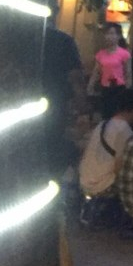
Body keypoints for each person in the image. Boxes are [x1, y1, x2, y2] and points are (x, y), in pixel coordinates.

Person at [78, 85, 133, 199]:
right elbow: (120, 169)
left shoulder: (102, 124)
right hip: (102, 187)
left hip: (84, 182)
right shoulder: (125, 131)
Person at [40, 18, 88, 178]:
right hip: (55, 102)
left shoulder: (21, 39)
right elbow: (75, 78)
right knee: (51, 146)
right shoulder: (63, 41)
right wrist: (82, 108)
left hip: (19, 103)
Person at [89, 25, 132, 118]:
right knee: (105, 114)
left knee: (117, 114)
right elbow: (96, 72)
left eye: (112, 33)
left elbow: (128, 73)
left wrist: (128, 91)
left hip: (119, 89)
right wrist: (90, 86)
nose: (109, 36)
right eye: (107, 34)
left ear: (118, 36)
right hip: (105, 88)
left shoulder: (124, 54)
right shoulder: (100, 54)